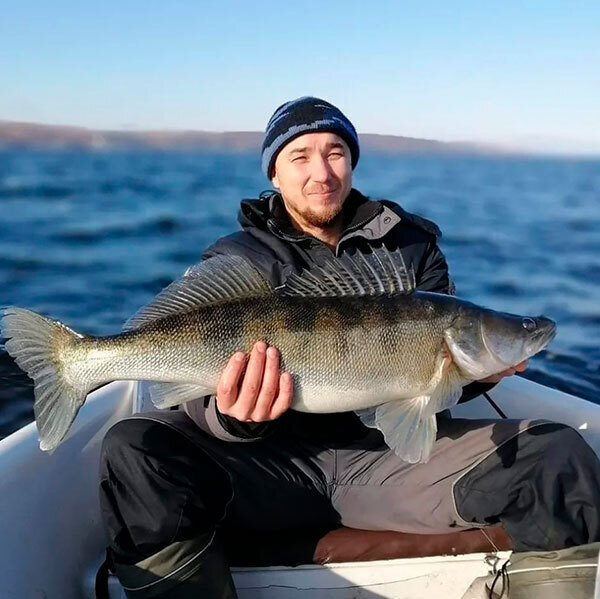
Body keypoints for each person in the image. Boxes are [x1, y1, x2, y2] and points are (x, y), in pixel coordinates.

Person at [99, 97, 600, 598]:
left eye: (335, 152)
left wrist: (473, 379)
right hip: (272, 470)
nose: (322, 172)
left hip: (387, 465)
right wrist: (235, 420)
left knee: (558, 460)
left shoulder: (411, 249)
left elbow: (423, 396)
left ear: (353, 161)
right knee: (134, 450)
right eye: (300, 157)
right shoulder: (238, 260)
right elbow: (193, 403)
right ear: (274, 174)